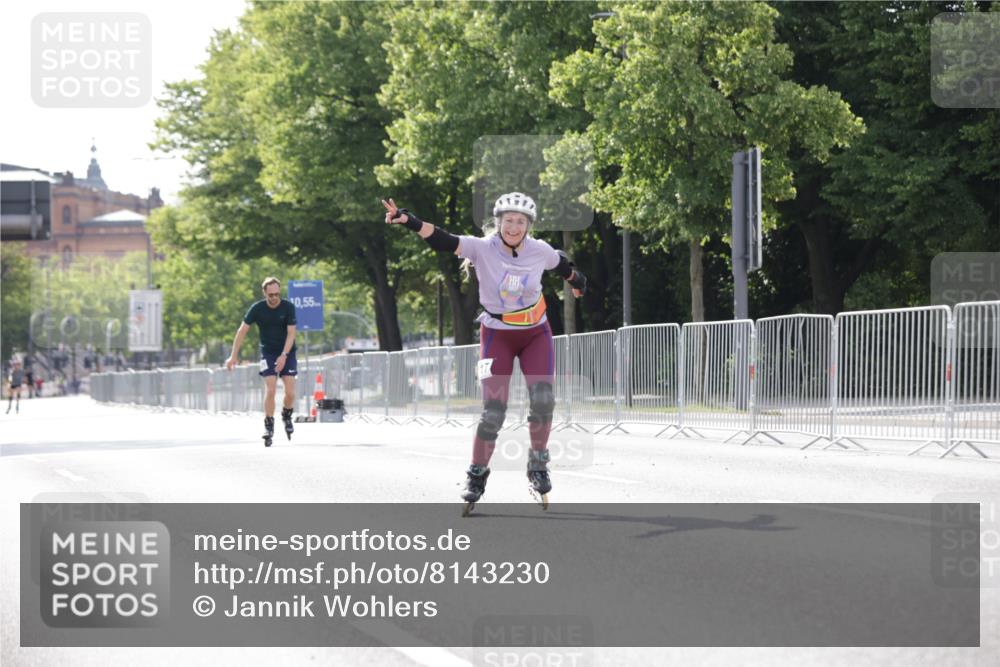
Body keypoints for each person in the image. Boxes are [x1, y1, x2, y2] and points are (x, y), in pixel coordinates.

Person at [382, 193, 587, 514]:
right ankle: (476, 474)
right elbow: (442, 239)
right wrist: (409, 220)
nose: (514, 227)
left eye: (520, 222)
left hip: (536, 334)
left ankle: (538, 464)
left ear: (528, 226)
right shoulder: (482, 248)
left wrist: (578, 281)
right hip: (496, 336)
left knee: (543, 399)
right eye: (509, 221)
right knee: (493, 411)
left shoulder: (539, 250)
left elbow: (562, 265)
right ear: (499, 222)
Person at [225, 277, 298, 446]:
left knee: (290, 393)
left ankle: (286, 415)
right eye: (271, 295)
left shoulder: (288, 307)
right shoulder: (257, 309)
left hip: (287, 352)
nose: (274, 298)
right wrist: (233, 355)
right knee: (271, 389)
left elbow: (291, 334)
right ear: (264, 293)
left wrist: (284, 355)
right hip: (268, 353)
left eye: (277, 294)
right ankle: (268, 425)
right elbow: (242, 331)